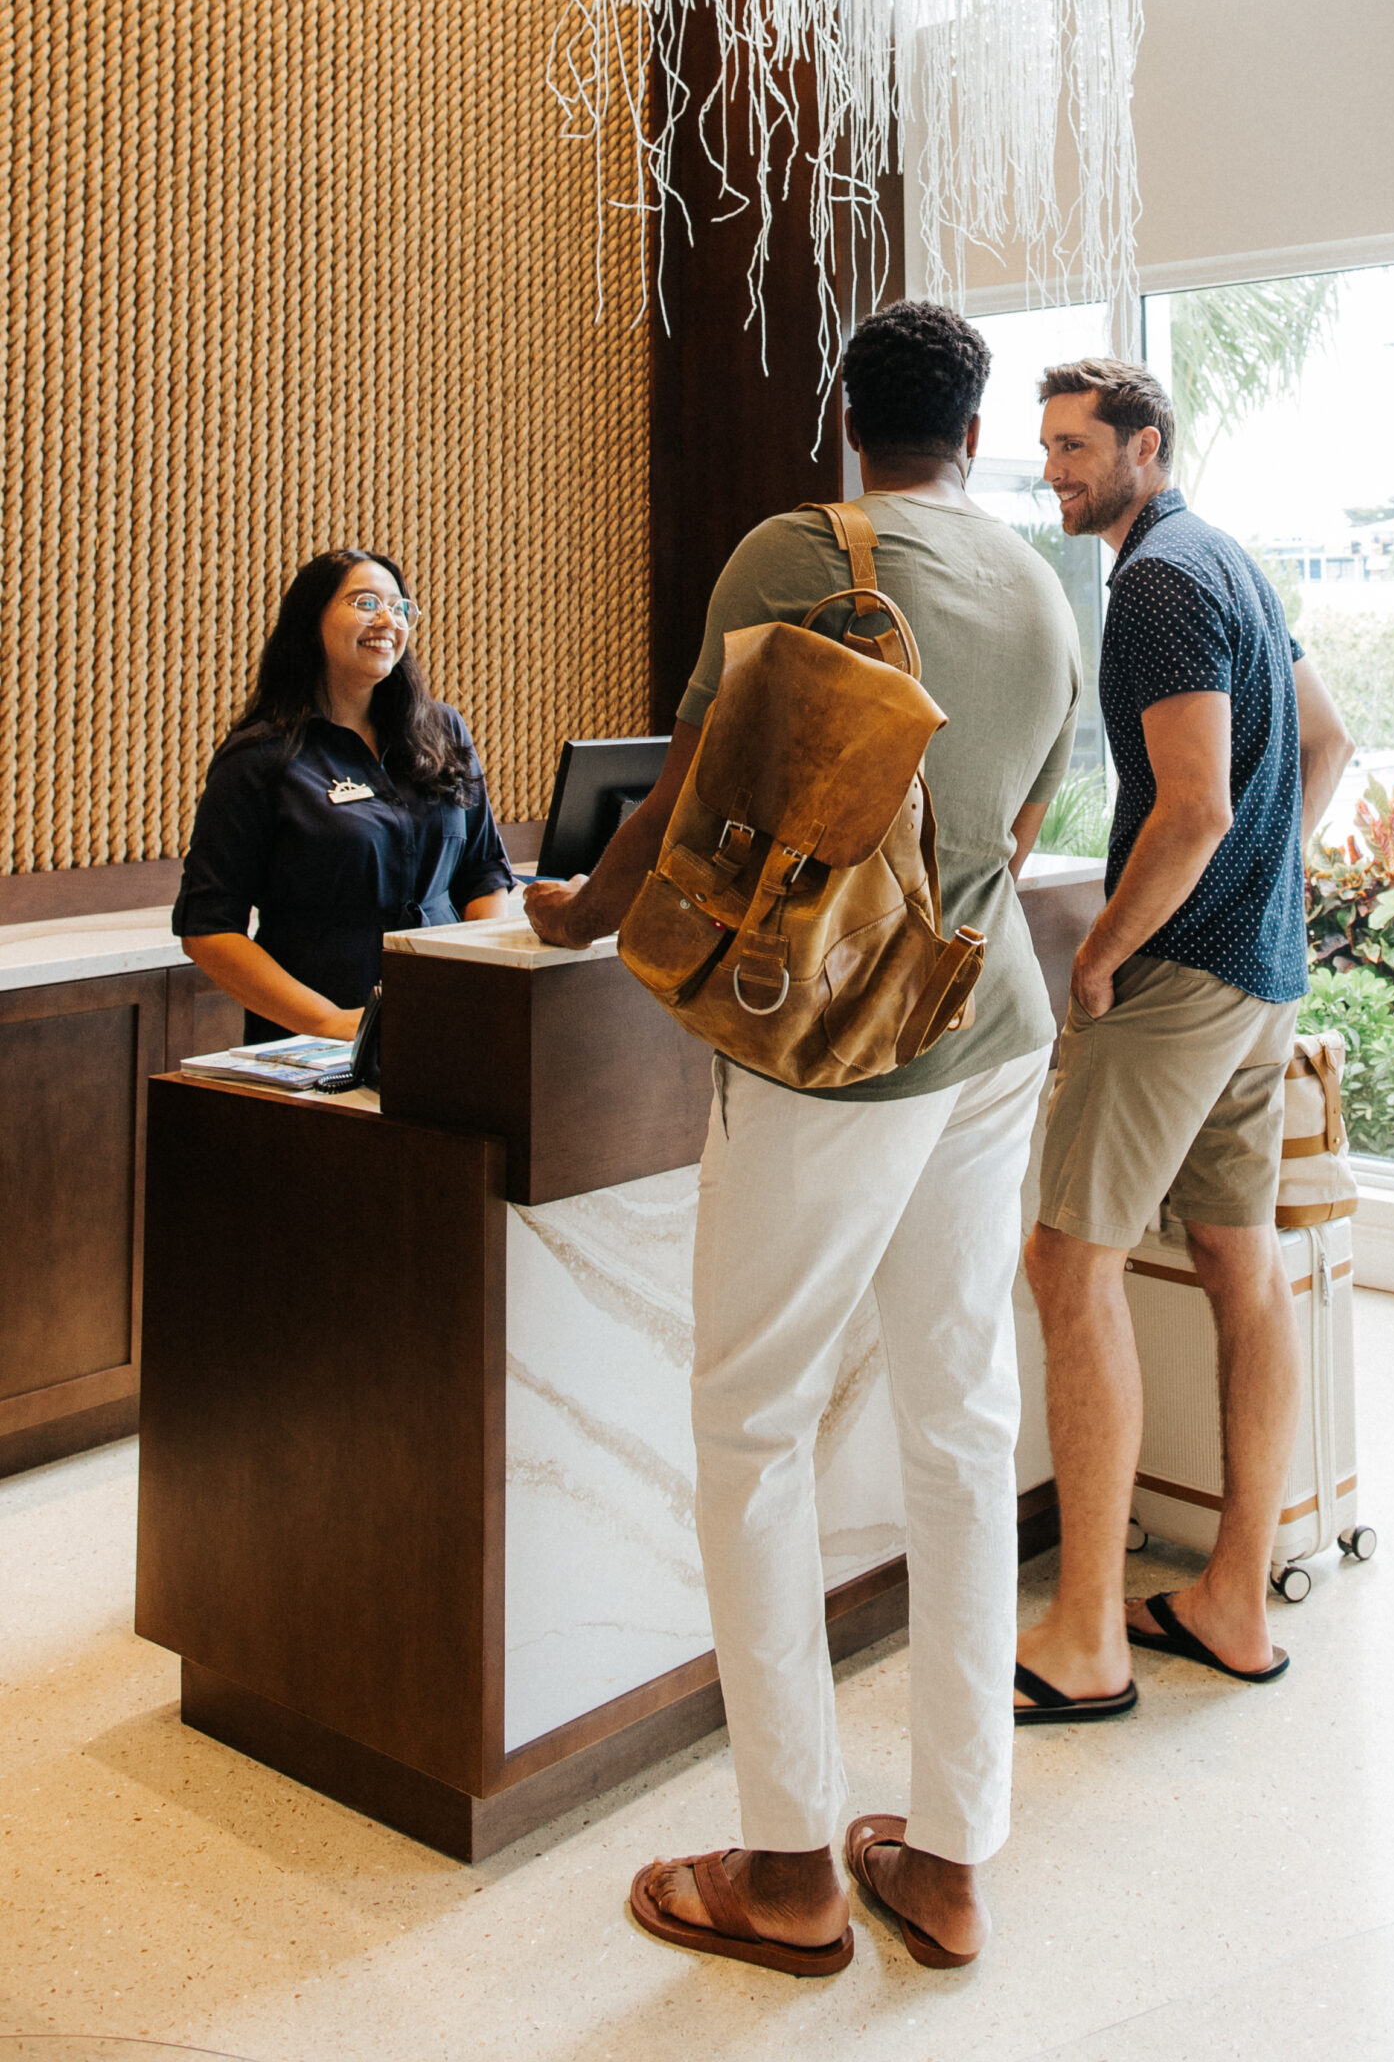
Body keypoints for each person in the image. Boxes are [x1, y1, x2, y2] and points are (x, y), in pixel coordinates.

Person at [524, 300, 1083, 1978]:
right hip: (992, 1035)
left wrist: (577, 912)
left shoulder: (798, 550)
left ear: (850, 419)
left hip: (837, 1055)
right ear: (975, 433)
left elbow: (694, 778)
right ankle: (953, 1858)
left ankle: (787, 1870)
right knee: (962, 1428)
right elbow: (1030, 816)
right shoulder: (1047, 590)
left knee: (751, 1429)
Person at [1015, 358, 1352, 1721]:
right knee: (1236, 1259)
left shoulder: (1153, 583)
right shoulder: (1232, 563)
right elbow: (1327, 743)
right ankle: (1228, 1600)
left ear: (1146, 446)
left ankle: (1088, 1639)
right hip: (1264, 975)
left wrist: (1098, 956)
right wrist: (1267, 883)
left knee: (1067, 1264)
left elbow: (1196, 807)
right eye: (1044, 448)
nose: (1055, 470)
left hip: (1178, 979)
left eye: (1078, 447)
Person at [175, 547, 517, 1039]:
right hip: (321, 1040)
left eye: (399, 607)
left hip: (448, 1020)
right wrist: (329, 1021)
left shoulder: (443, 730)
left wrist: (481, 976)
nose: (387, 619)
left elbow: (483, 872)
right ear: (311, 620)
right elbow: (208, 929)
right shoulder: (260, 757)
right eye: (364, 602)